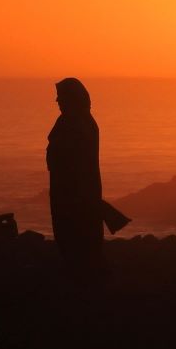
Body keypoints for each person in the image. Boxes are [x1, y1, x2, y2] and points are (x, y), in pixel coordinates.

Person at [46, 77, 105, 281]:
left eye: (62, 98)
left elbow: (72, 156)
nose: (58, 102)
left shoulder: (78, 123)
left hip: (75, 189)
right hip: (68, 187)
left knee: (78, 231)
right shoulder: (77, 121)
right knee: (69, 231)